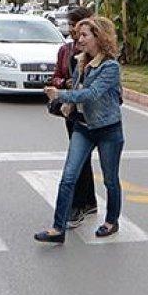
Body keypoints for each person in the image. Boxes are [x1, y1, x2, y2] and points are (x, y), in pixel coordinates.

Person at [37, 17, 125, 244]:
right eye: (78, 35)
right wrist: (66, 103)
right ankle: (58, 228)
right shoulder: (80, 62)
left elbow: (92, 93)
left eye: (85, 35)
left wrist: (60, 94)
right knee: (68, 178)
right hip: (83, 128)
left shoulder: (110, 67)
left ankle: (111, 221)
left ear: (99, 37)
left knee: (110, 180)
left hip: (108, 130)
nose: (79, 40)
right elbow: (78, 88)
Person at [49, 6, 98, 228]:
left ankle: (80, 204)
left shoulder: (96, 54)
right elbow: (56, 76)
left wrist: (76, 86)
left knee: (79, 159)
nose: (71, 30)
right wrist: (63, 84)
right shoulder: (65, 50)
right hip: (72, 111)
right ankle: (87, 201)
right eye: (70, 25)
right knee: (80, 157)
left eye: (76, 26)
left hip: (92, 112)